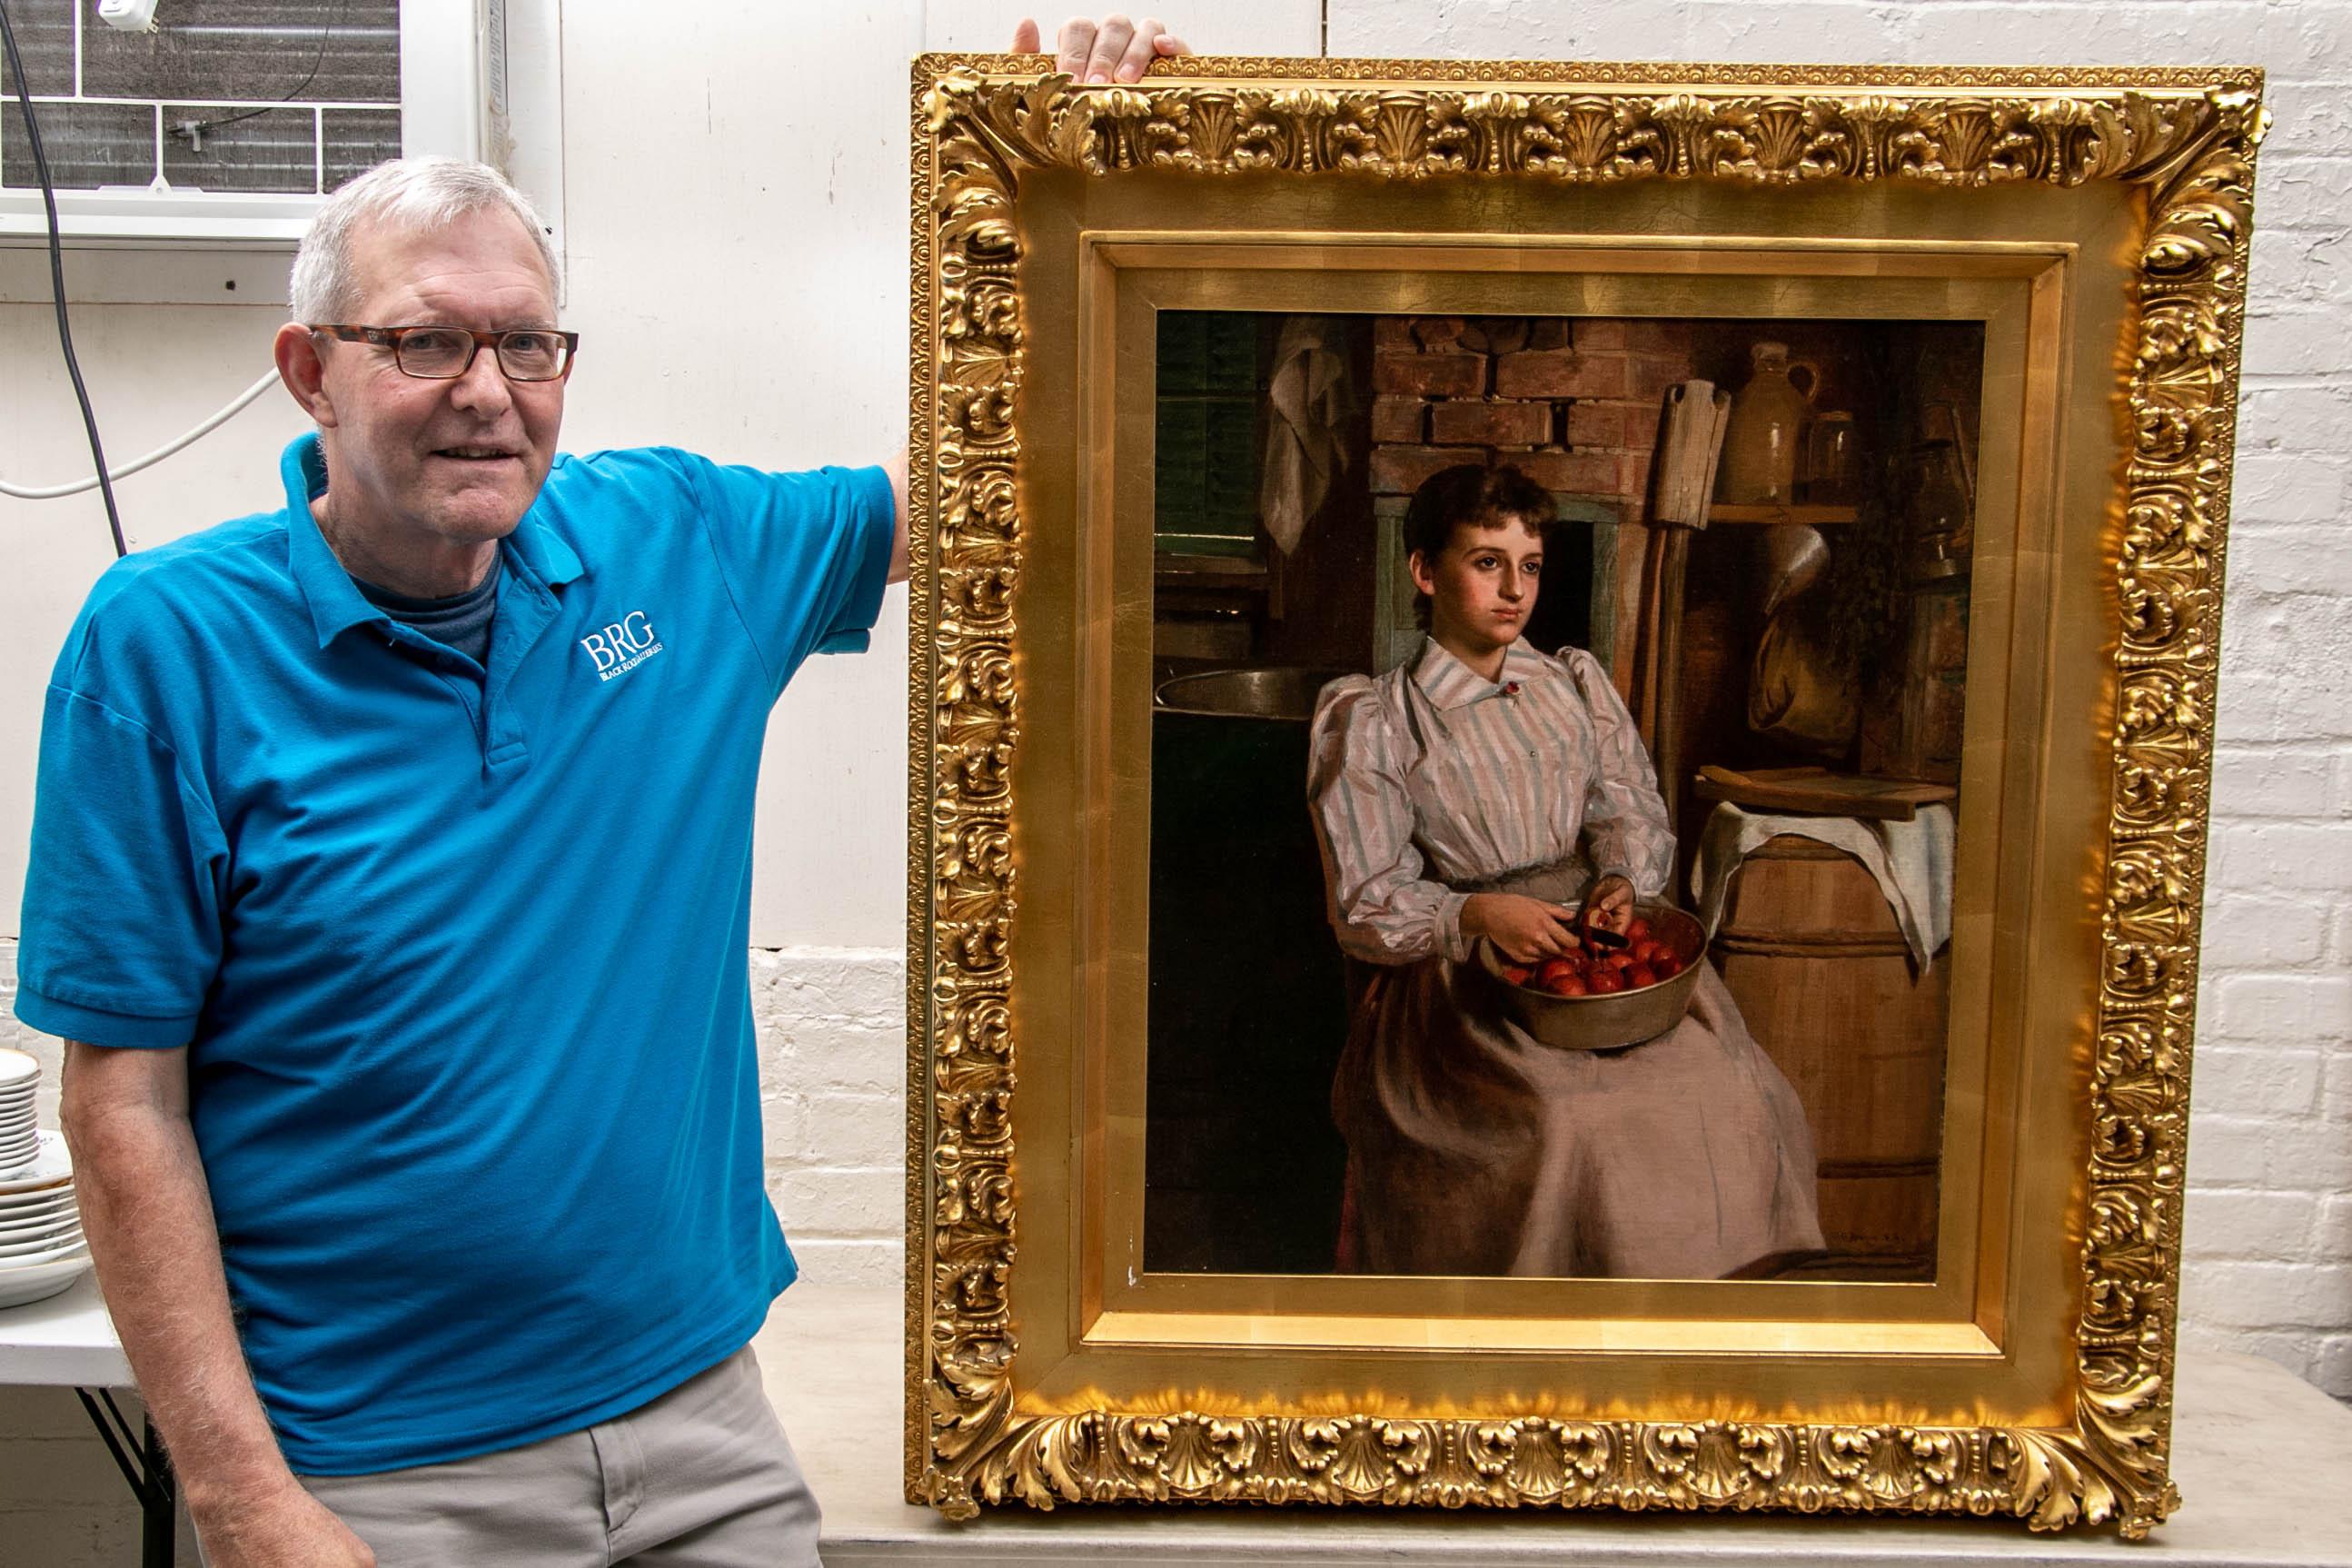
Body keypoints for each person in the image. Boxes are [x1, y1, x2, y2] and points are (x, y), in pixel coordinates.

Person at [14, 17, 1186, 1568]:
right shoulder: (164, 646)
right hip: (374, 1472)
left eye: (526, 343)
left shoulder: (674, 546)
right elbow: (123, 1100)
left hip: (702, 1429)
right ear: (311, 370)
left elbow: (990, 480)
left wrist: (1073, 201)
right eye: (423, 341)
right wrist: (241, 1501)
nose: (485, 391)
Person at [1306, 462, 1823, 1279]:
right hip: (1462, 982)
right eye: (1485, 562)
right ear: (1424, 571)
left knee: (1727, 1086)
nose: (1513, 589)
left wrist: (1619, 880)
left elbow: (1626, 809)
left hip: (1594, 948)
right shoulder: (1374, 716)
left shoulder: (1570, 683)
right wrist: (1474, 917)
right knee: (1569, 1121)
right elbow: (1364, 900)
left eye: (1530, 566)